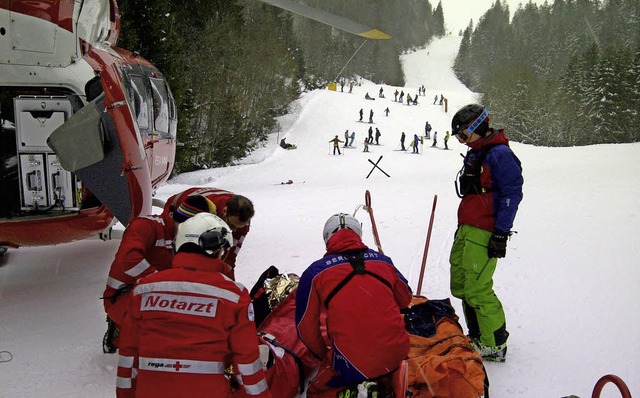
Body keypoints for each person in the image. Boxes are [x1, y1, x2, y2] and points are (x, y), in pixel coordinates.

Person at [116, 213, 272, 398]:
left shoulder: (143, 290)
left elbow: (128, 356)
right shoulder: (233, 295)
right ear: (218, 250)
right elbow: (246, 362)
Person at [295, 213, 412, 396]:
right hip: (396, 352)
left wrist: (325, 354)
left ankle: (356, 390)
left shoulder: (315, 273)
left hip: (352, 360)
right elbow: (405, 298)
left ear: (327, 239)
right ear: (358, 234)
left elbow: (305, 327)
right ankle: (389, 380)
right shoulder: (384, 261)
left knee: (315, 390)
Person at [449, 104, 523, 362]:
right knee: (462, 284)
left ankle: (495, 344)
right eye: (458, 137)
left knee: (478, 288)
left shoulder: (500, 155)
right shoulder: (476, 154)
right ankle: (478, 335)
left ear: (477, 127)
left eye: (463, 136)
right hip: (468, 227)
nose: (462, 142)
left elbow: (512, 193)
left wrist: (500, 233)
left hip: (485, 230)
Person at [101, 195, 215, 353]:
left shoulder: (182, 238)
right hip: (123, 297)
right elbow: (128, 261)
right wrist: (163, 283)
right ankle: (120, 333)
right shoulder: (145, 226)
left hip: (159, 297)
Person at [163, 187, 255, 277]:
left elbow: (230, 255)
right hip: (178, 206)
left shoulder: (242, 218)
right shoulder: (203, 210)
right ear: (224, 211)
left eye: (237, 227)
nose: (233, 230)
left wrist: (229, 282)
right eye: (231, 226)